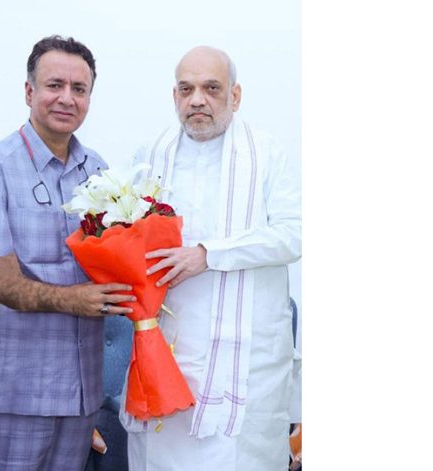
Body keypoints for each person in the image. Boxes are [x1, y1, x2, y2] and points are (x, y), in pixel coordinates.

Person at [120, 46, 301, 470]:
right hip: (168, 352)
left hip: (248, 363)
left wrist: (209, 254)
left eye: (211, 88)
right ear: (174, 96)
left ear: (235, 96)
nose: (197, 99)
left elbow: (294, 234)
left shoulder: (268, 154)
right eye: (186, 89)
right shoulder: (149, 157)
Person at [0, 35, 136, 470]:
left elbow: (118, 258)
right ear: (29, 91)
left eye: (79, 89)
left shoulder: (100, 172)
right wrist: (77, 299)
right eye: (54, 85)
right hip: (12, 393)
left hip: (81, 396)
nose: (66, 98)